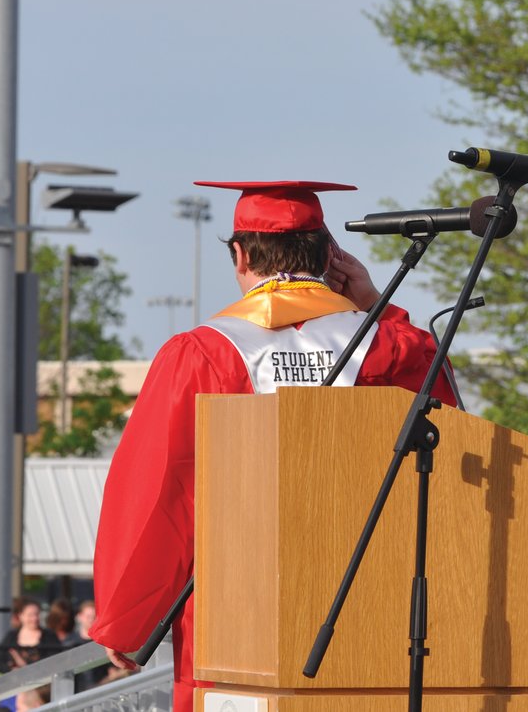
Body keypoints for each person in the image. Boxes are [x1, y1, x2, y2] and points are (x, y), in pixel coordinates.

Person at [91, 180, 450, 712]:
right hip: (371, 606)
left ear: (239, 254)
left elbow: (158, 494)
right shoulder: (394, 347)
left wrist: (128, 620)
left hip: (236, 613)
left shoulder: (202, 353)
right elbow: (455, 445)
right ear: (331, 256)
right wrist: (377, 306)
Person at [0, 597, 62, 674]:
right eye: (30, 615)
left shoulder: (49, 636)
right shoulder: (11, 636)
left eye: (37, 614)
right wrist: (11, 669)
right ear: (21, 616)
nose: (34, 618)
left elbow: (54, 661)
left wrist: (25, 666)